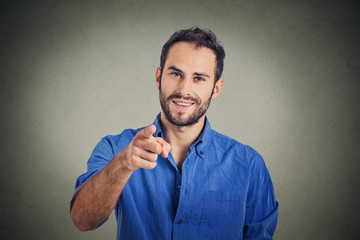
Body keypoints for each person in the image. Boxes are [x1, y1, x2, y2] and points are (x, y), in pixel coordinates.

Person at [70, 27, 278, 239]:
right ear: (159, 77)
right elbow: (82, 220)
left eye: (199, 78)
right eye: (176, 74)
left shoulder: (249, 164)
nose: (184, 90)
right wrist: (123, 164)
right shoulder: (115, 149)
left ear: (216, 89)